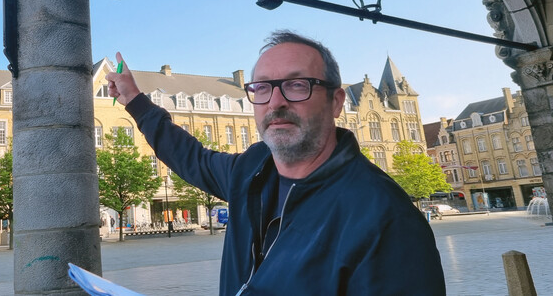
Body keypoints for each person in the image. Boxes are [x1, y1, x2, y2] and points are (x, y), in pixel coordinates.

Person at [106, 30, 446, 295]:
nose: (276, 101)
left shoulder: (386, 219)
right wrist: (135, 102)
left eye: (297, 85)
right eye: (263, 88)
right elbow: (190, 157)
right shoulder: (252, 170)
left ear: (336, 101)